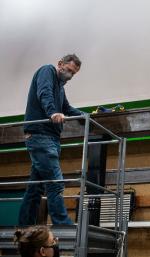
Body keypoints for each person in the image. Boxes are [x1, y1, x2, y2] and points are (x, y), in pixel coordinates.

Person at [19, 54, 83, 225]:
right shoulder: (47, 71)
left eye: (73, 74)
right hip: (40, 136)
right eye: (68, 70)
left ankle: (25, 225)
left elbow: (67, 108)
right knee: (55, 182)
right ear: (60, 64)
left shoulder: (61, 87)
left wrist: (84, 116)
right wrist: (52, 112)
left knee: (35, 188)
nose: (69, 75)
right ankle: (63, 224)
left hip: (52, 139)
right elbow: (44, 92)